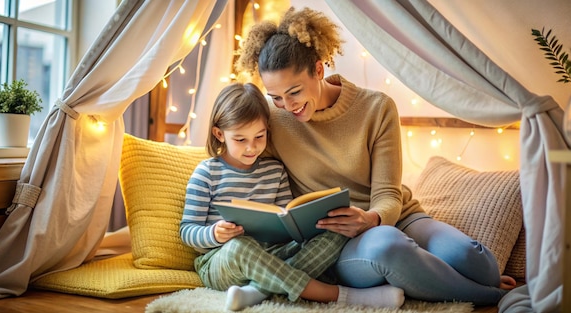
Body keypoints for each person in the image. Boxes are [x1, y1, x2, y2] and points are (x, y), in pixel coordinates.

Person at [235, 7, 517, 306]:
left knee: (478, 262)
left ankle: (441, 277)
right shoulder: (272, 118)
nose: (286, 105)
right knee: (389, 247)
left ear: (318, 70)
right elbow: (234, 148)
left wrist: (371, 218)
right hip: (338, 241)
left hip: (396, 217)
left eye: (293, 92)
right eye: (275, 96)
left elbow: (388, 195)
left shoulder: (376, 107)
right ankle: (492, 297)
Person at [179, 82, 405, 311]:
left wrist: (298, 227)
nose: (252, 147)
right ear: (219, 134)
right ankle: (337, 295)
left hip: (273, 255)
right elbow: (187, 231)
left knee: (336, 230)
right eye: (240, 140)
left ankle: (258, 291)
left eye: (260, 136)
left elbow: (285, 219)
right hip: (222, 261)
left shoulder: (274, 170)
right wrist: (214, 234)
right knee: (239, 246)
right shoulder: (207, 173)